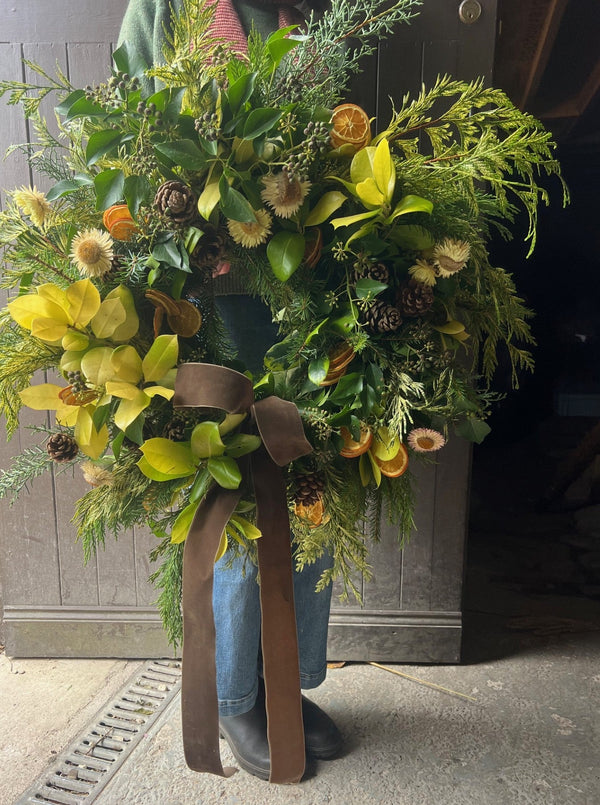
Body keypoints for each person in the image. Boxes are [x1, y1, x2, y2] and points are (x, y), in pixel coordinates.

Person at [118, 0, 342, 781]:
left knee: (311, 476)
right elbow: (127, 124)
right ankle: (236, 692)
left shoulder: (300, 10)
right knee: (241, 488)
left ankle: (288, 678)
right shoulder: (168, 8)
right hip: (210, 304)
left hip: (302, 296)